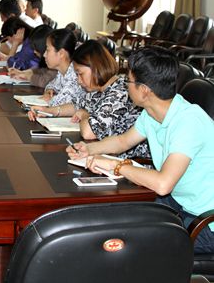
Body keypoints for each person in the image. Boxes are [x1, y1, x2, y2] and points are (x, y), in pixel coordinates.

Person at [66, 46, 214, 253]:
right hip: (178, 204)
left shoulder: (188, 122)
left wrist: (117, 166)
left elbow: (163, 184)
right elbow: (122, 142)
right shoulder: (152, 113)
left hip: (205, 221)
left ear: (144, 90)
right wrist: (88, 149)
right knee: (113, 222)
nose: (125, 85)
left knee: (130, 244)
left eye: (128, 81)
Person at [28, 39, 147, 158]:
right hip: (102, 153)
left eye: (80, 74)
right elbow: (76, 106)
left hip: (125, 159)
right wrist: (47, 111)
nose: (79, 80)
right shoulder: (98, 88)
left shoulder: (119, 92)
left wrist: (85, 115)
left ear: (96, 68)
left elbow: (89, 132)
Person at [25, 28, 84, 105]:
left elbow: (61, 102)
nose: (44, 55)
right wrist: (49, 91)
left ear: (61, 53)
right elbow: (51, 84)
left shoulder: (75, 75)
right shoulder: (61, 72)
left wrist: (51, 98)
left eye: (48, 50)